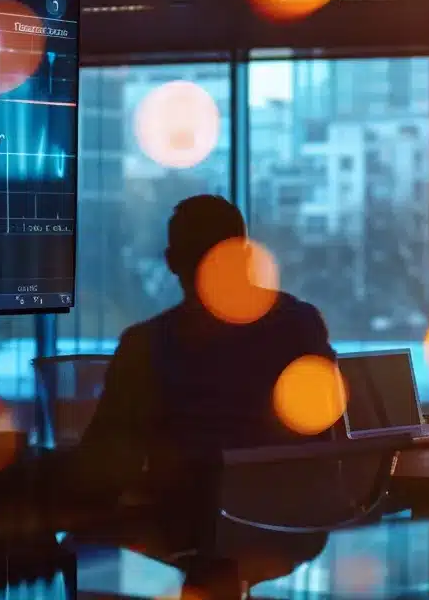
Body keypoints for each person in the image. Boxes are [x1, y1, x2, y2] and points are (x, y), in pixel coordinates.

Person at [72, 194, 336, 594]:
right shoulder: (302, 325)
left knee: (81, 538)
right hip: (296, 526)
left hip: (186, 526)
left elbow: (105, 466)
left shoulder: (149, 346)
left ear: (171, 261)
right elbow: (327, 428)